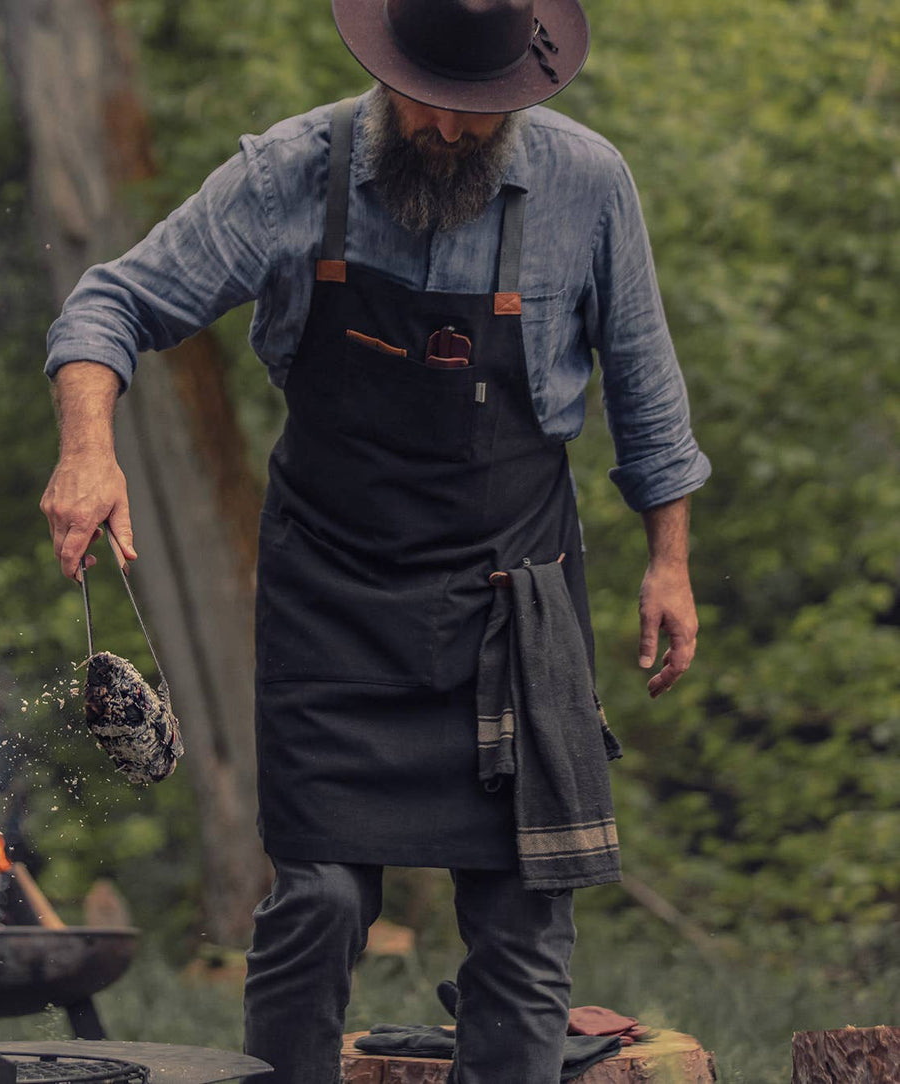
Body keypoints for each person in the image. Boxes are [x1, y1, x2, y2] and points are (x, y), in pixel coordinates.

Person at [40, 0, 709, 1080]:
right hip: (332, 592)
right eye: (425, 106)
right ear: (383, 70)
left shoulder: (589, 185)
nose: (447, 133)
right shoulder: (289, 171)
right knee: (316, 899)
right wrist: (86, 450)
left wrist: (667, 564)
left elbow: (646, 392)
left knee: (522, 915)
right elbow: (109, 303)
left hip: (511, 591)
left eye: (476, 117)